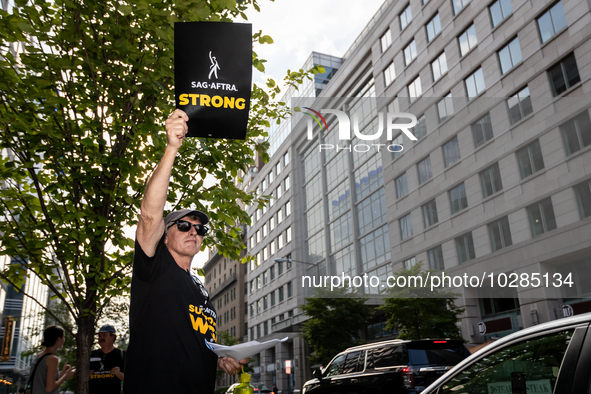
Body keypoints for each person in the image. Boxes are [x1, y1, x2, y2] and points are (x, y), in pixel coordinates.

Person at [124, 109, 248, 394]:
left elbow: (190, 344)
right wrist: (172, 148)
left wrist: (220, 360)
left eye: (199, 229)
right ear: (165, 236)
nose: (193, 231)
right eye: (183, 225)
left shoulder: (199, 288)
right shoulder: (155, 267)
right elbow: (148, 216)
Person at [29, 325, 75, 394]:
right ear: (58, 339)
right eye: (63, 337)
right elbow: (49, 388)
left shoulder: (39, 356)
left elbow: (44, 379)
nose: (64, 340)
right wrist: (65, 376)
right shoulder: (52, 359)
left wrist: (62, 373)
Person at [89, 325, 125, 394]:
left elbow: (132, 380)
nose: (101, 338)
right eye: (99, 336)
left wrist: (119, 374)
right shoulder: (91, 355)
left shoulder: (121, 355)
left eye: (104, 335)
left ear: (113, 337)